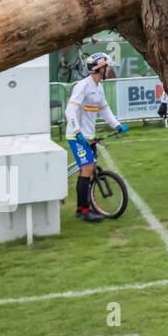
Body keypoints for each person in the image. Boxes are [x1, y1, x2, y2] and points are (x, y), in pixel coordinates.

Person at [65, 52, 129, 221]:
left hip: (89, 136)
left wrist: (117, 125)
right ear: (100, 68)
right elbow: (69, 110)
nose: (109, 70)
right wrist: (77, 131)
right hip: (76, 136)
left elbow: (105, 110)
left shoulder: (98, 88)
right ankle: (85, 212)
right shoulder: (82, 86)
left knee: (86, 170)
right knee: (87, 169)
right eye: (107, 67)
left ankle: (81, 208)